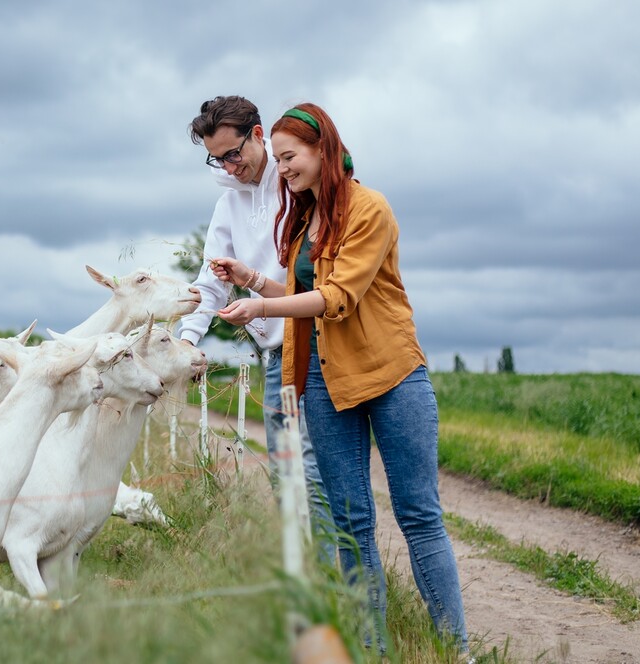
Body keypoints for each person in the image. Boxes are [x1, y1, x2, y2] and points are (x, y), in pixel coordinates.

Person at [211, 102, 470, 655]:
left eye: (289, 157)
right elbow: (300, 291)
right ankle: (370, 650)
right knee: (351, 523)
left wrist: (259, 311)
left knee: (417, 514)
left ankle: (455, 649)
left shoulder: (369, 208)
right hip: (326, 381)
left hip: (392, 375)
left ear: (323, 150)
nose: (282, 170)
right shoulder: (303, 221)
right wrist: (253, 281)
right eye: (278, 161)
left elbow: (336, 297)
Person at [177, 95, 335, 565]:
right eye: (216, 158)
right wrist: (186, 341)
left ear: (259, 135)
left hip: (316, 342)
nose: (229, 166)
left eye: (234, 153)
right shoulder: (228, 202)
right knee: (283, 473)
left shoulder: (295, 183)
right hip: (272, 355)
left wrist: (258, 291)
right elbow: (210, 281)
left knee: (311, 470)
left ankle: (338, 583)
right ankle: (303, 577)